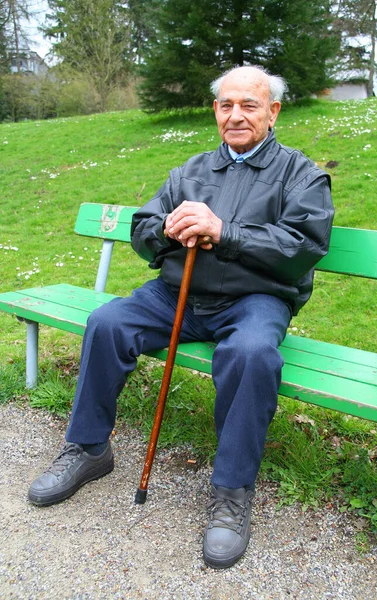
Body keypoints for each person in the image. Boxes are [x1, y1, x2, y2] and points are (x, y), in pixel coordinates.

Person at [28, 65, 334, 569]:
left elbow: (302, 246)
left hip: (254, 300)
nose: (236, 116)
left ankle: (232, 491)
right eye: (226, 105)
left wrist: (224, 231)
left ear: (273, 112)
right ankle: (87, 449)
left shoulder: (300, 175)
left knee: (252, 353)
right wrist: (167, 231)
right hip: (179, 293)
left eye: (249, 105)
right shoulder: (190, 170)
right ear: (216, 111)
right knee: (108, 323)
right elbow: (142, 226)